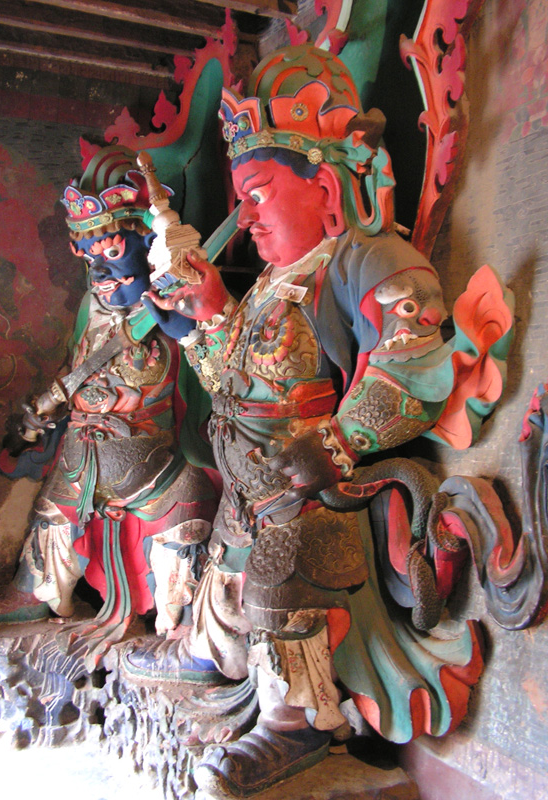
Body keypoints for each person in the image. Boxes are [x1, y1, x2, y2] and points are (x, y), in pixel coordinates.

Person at [125, 45, 513, 797]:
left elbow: (412, 364)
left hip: (320, 493)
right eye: (241, 200)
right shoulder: (271, 285)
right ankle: (207, 654)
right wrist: (210, 315)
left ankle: (295, 722)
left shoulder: (366, 259)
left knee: (283, 572)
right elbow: (232, 383)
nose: (246, 218)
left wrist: (337, 441)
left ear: (326, 187)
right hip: (250, 490)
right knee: (222, 561)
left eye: (258, 194)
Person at [0, 145, 219, 667]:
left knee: (187, 519)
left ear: (147, 246)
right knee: (50, 516)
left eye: (113, 253)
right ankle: (35, 591)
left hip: (153, 454)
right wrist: (47, 408)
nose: (101, 271)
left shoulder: (178, 304)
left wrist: (184, 327)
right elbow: (75, 365)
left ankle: (183, 618)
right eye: (89, 257)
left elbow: (210, 372)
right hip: (82, 453)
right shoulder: (91, 305)